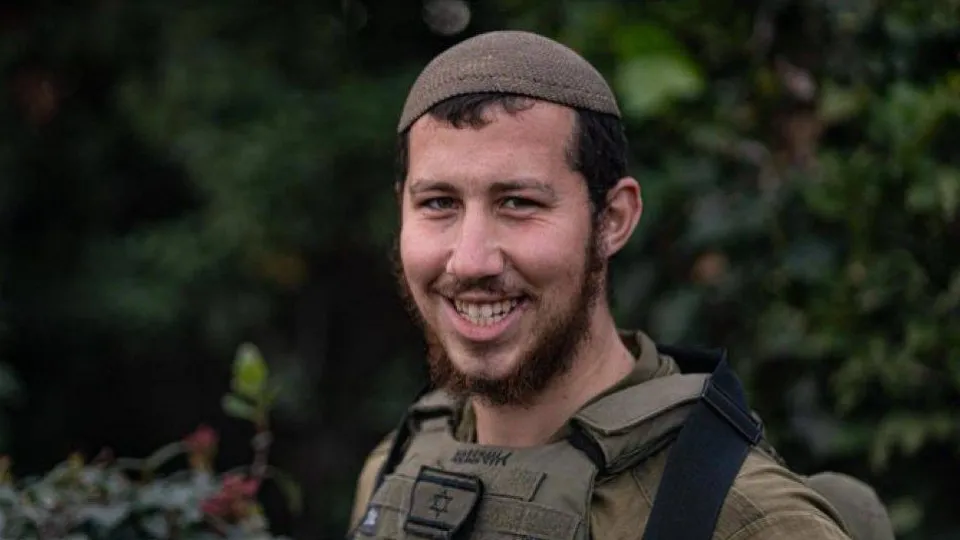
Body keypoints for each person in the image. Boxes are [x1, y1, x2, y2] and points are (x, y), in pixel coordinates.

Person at [347, 30, 892, 540]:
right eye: (438, 203)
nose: (470, 261)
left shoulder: (742, 516)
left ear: (612, 219)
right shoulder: (396, 469)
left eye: (518, 203)